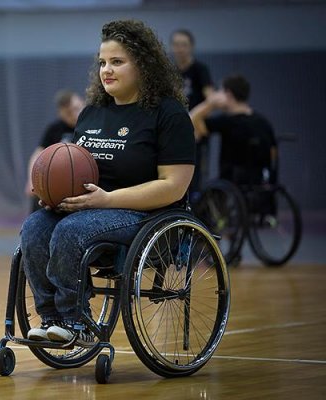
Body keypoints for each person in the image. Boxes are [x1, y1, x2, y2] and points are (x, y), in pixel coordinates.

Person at [21, 20, 195, 345]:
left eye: (117, 62)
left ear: (143, 64)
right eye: (102, 62)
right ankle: (52, 319)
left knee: (70, 230)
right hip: (90, 208)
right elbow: (77, 171)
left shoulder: (168, 115)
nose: (106, 70)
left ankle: (78, 323)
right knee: (34, 228)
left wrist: (107, 200)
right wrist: (56, 193)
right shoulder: (92, 112)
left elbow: (174, 186)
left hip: (145, 215)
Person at [190, 74, 277, 185]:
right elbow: (273, 154)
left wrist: (210, 104)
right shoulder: (263, 123)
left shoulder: (226, 122)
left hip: (230, 188)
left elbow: (191, 120)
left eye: (220, 91)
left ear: (228, 95)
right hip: (260, 187)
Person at [24, 90, 85, 212]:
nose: (74, 115)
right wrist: (31, 181)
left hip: (83, 179)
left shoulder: (93, 124)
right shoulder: (55, 129)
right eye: (68, 113)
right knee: (38, 194)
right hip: (59, 180)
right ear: (60, 114)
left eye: (77, 108)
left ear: (83, 103)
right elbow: (38, 154)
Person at [171, 29, 214, 195]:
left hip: (195, 131)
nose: (180, 48)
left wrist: (193, 118)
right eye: (176, 44)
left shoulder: (200, 70)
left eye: (184, 45)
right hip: (174, 130)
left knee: (196, 178)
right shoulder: (169, 70)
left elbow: (212, 99)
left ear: (191, 47)